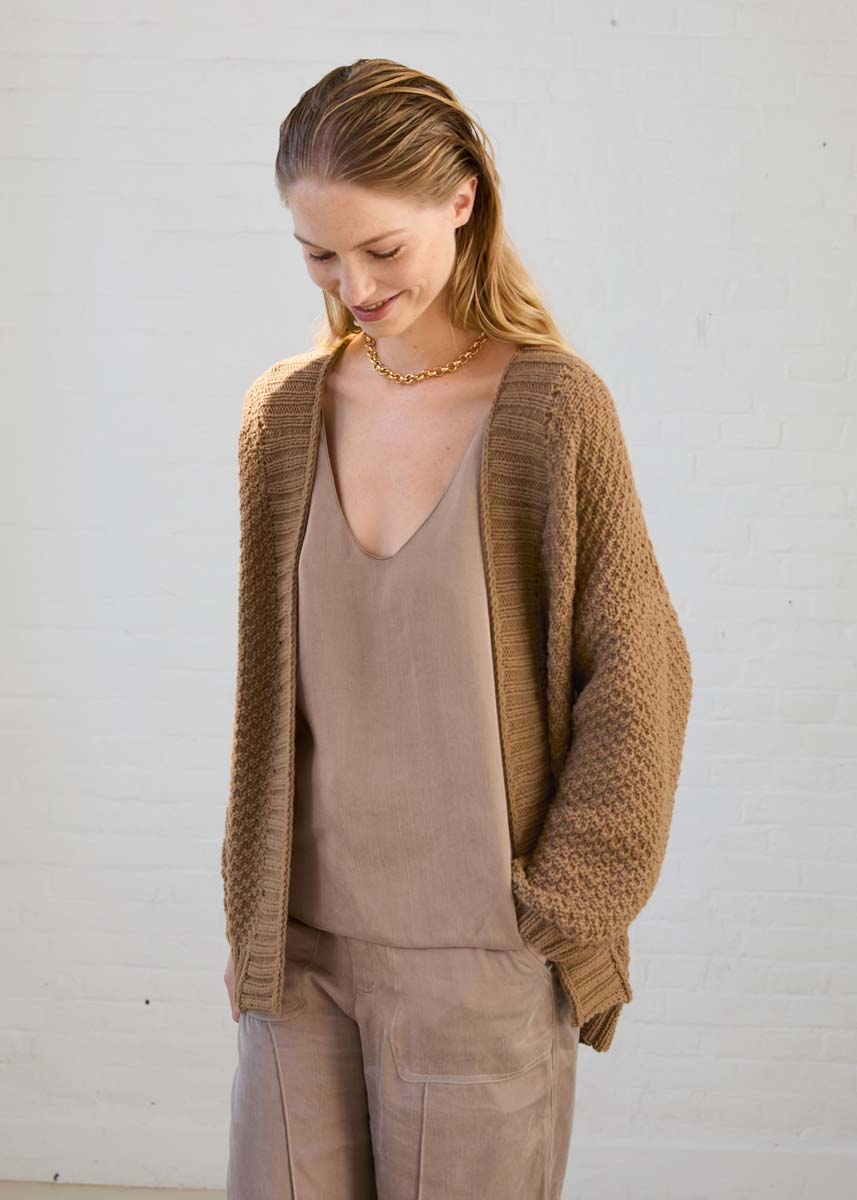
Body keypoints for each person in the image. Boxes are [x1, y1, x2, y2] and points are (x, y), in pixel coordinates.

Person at [221, 57, 693, 1199]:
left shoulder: (550, 408)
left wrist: (557, 907)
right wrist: (251, 920)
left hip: (480, 953)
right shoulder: (282, 415)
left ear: (461, 201)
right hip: (298, 946)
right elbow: (273, 691)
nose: (353, 284)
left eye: (380, 249)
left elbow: (640, 671)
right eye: (318, 255)